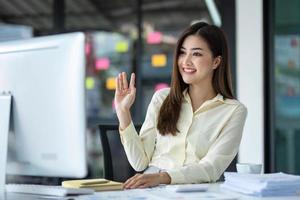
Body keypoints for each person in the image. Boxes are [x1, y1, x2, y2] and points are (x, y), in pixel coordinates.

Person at [114, 22, 247, 189]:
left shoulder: (234, 111)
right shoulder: (162, 98)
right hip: (151, 188)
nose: (186, 61)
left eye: (196, 54)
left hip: (195, 191)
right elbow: (139, 163)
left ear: (216, 62)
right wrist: (123, 111)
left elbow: (212, 168)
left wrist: (164, 177)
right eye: (182, 53)